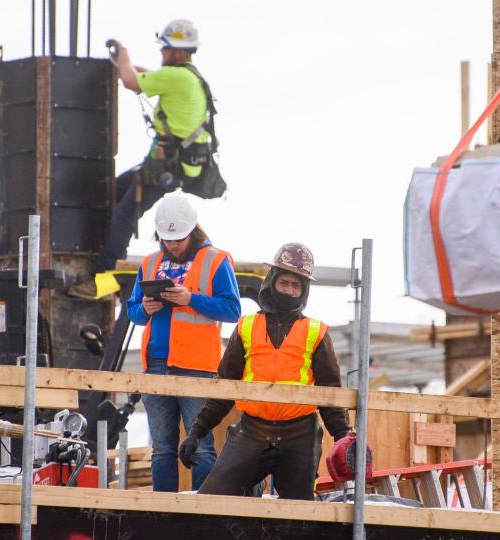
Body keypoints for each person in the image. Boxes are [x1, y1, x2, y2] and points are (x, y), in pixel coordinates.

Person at [179, 243, 352, 500]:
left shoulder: (317, 333)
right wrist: (196, 432)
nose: (290, 291)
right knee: (213, 500)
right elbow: (224, 387)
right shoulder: (246, 326)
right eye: (285, 283)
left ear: (304, 291)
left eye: (297, 286)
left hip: (300, 433)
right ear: (272, 282)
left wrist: (343, 440)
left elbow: (331, 396)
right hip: (252, 430)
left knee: (300, 512)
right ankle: (252, 486)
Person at [69, 19, 216, 300]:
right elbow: (141, 78)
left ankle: (105, 275)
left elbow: (131, 81)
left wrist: (122, 54)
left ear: (177, 51)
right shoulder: (185, 77)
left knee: (125, 213)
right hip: (166, 165)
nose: (161, 54)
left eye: (165, 49)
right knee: (114, 192)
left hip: (166, 167)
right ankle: (111, 258)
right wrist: (124, 65)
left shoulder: (177, 77)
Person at [127, 194, 241, 491]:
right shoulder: (150, 262)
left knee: (202, 448)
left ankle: (203, 513)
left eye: (178, 238)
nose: (173, 244)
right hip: (156, 366)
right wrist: (145, 310)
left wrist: (191, 299)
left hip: (197, 369)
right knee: (162, 448)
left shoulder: (216, 260)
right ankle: (162, 515)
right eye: (167, 239)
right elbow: (133, 311)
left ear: (193, 230)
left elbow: (232, 310)